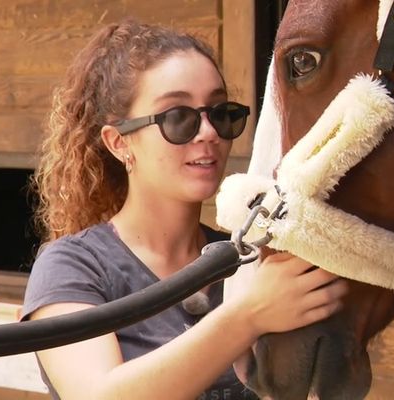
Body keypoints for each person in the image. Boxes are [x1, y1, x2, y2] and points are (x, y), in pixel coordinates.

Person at [22, 18, 348, 400]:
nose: (208, 132)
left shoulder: (249, 266)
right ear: (118, 143)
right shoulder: (72, 266)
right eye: (178, 117)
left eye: (220, 112)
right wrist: (247, 316)